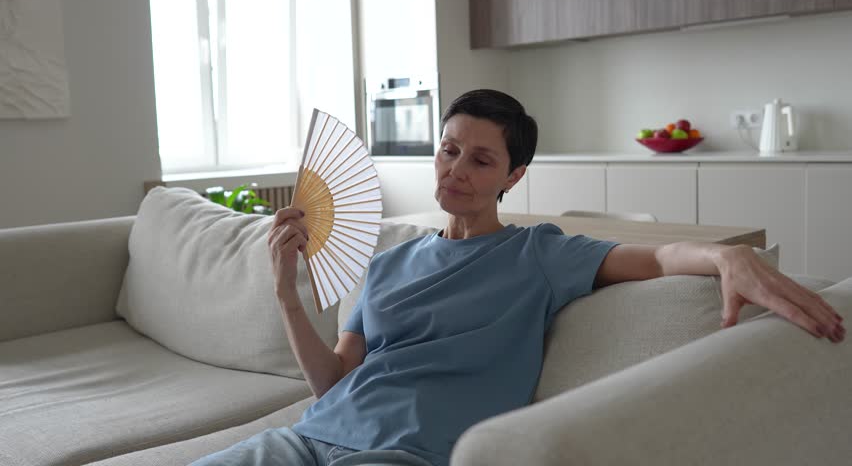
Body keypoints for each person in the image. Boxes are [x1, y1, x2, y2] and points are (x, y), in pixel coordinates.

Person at [192, 89, 845, 466]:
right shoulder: (386, 263)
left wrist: (728, 258)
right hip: (304, 440)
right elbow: (333, 383)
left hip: (403, 455)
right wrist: (286, 292)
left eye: (481, 160)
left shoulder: (539, 253)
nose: (456, 169)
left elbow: (656, 258)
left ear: (514, 175)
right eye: (449, 150)